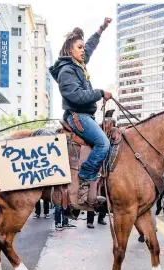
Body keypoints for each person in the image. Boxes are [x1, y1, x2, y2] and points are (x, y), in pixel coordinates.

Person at [49, 18, 113, 207]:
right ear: (70, 50)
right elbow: (76, 96)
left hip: (86, 115)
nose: (83, 50)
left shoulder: (79, 65)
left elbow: (90, 47)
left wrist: (101, 29)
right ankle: (85, 178)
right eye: (79, 47)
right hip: (78, 116)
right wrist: (100, 93)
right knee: (103, 143)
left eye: (83, 47)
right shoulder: (67, 70)